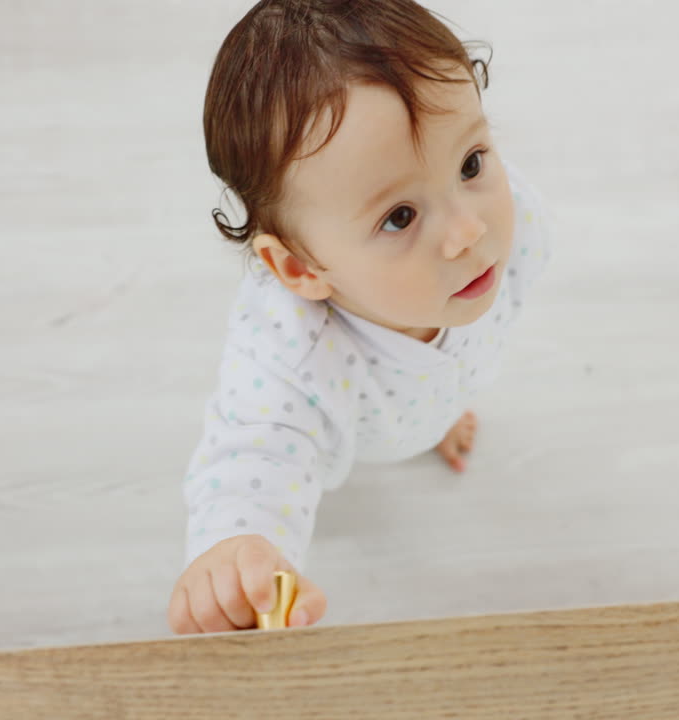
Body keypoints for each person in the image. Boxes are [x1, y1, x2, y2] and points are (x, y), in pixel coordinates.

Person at [167, 0, 552, 635]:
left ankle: (435, 415)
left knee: (437, 392)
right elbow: (252, 456)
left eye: (471, 163)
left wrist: (437, 407)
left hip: (425, 394)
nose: (468, 229)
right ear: (301, 270)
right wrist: (240, 553)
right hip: (362, 413)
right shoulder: (291, 361)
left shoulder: (517, 226)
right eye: (399, 216)